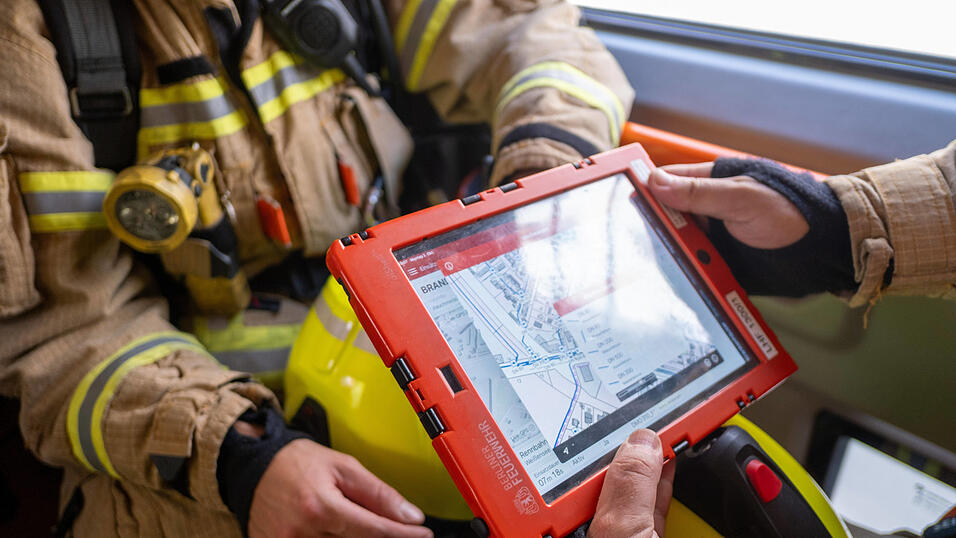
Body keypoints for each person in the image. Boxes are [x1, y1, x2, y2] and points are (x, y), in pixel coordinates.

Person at [0, 0, 636, 536]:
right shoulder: (29, 35)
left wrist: (536, 183)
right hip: (194, 468)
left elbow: (532, 36)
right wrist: (245, 458)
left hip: (437, 417)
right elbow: (64, 338)